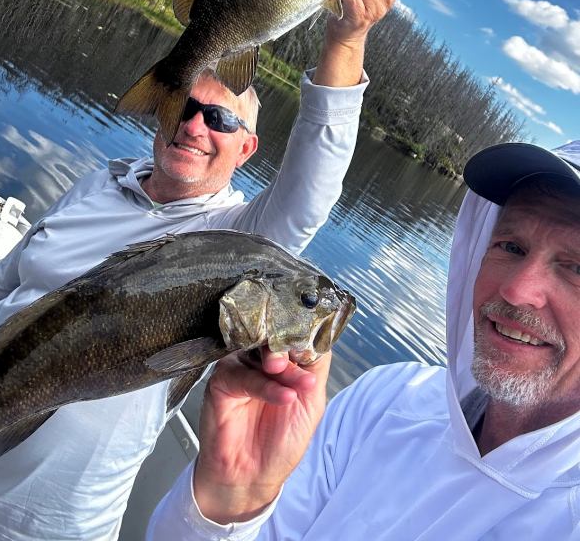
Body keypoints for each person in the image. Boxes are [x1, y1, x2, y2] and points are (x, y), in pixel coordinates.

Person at [0, 0, 401, 541]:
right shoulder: (98, 182)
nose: (195, 125)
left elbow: (312, 185)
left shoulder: (238, 243)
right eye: (187, 106)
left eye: (221, 120)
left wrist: (346, 41)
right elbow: (2, 286)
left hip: (42, 528)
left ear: (246, 149)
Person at [147, 140, 580, 540]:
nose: (518, 290)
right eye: (511, 246)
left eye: (576, 268)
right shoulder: (385, 400)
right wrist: (231, 503)